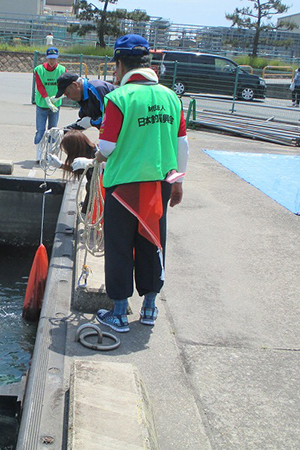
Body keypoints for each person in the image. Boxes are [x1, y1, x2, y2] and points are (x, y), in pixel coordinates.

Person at [77, 34, 189, 333]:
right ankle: (150, 308)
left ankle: (118, 313)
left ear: (120, 65)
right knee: (153, 242)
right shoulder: (171, 98)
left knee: (119, 246)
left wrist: (92, 159)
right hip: (161, 184)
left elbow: (108, 147)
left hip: (124, 186)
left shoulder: (119, 98)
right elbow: (182, 146)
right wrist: (177, 183)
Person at [47, 130, 97, 213]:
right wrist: (61, 165)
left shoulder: (95, 156)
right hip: (94, 190)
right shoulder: (87, 152)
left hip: (101, 192)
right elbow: (82, 170)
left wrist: (85, 211)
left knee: (90, 186)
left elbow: (92, 186)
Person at [33, 47, 66, 162]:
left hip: (55, 105)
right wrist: (47, 100)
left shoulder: (62, 70)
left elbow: (65, 86)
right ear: (47, 58)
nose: (52, 61)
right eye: (50, 58)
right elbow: (40, 86)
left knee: (53, 130)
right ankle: (38, 155)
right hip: (42, 104)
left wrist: (58, 97)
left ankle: (49, 155)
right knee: (40, 130)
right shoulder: (39, 70)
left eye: (54, 58)